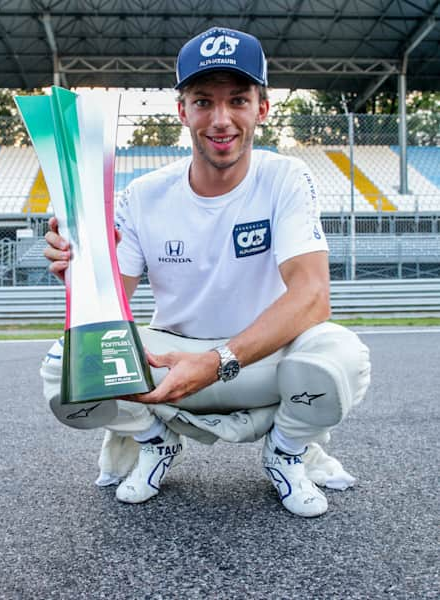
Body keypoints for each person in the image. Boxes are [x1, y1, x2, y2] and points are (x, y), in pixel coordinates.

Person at [42, 27, 371, 518]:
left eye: (238, 100)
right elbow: (114, 305)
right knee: (63, 368)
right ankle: (155, 441)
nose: (221, 120)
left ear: (261, 108)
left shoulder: (285, 177)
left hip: (260, 361)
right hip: (172, 358)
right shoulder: (143, 194)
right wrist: (82, 271)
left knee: (340, 359)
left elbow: (312, 296)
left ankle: (286, 452)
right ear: (183, 111)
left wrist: (219, 360)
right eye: (202, 101)